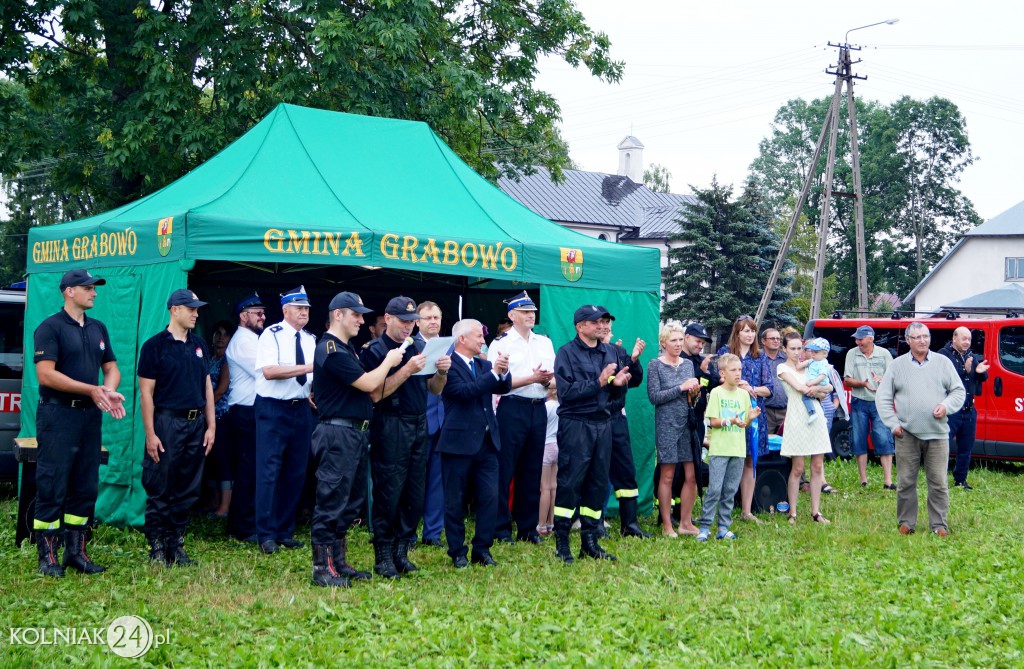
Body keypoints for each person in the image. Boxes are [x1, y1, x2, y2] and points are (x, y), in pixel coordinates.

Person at [32, 269, 127, 577]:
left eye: (94, 288)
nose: (94, 292)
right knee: (52, 482)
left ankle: (76, 552)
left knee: (85, 484)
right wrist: (92, 389)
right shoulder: (50, 327)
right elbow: (46, 374)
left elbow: (111, 368)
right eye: (88, 288)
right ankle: (48, 555)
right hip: (58, 415)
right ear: (68, 291)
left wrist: (108, 391)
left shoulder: (98, 328)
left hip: (89, 416)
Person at [308, 292, 404, 587]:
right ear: (338, 314)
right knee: (332, 499)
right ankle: (321, 568)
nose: (362, 321)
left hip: (353, 432)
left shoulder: (346, 349)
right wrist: (389, 360)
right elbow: (369, 384)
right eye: (356, 315)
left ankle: (337, 562)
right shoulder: (331, 348)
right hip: (338, 433)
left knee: (349, 502)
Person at [360, 296, 449, 578]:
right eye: (403, 321)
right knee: (389, 490)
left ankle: (401, 550)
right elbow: (375, 394)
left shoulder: (421, 346)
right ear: (388, 319)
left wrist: (442, 373)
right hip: (390, 423)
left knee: (414, 490)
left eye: (412, 321)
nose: (408, 327)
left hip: (418, 422)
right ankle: (383, 554)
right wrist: (406, 369)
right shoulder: (375, 350)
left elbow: (433, 389)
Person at [138, 289, 216, 566]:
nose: (196, 313)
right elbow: (146, 393)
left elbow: (206, 385)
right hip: (167, 421)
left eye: (197, 309)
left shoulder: (199, 345)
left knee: (188, 487)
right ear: (174, 310)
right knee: (161, 484)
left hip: (196, 423)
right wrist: (150, 433)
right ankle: (157, 546)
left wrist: (211, 425)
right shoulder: (154, 346)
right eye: (191, 308)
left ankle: (176, 544)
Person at [551, 305, 632, 563]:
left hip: (603, 423)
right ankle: (562, 543)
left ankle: (590, 541)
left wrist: (618, 385)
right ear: (580, 326)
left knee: (597, 485)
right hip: (576, 425)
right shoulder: (566, 353)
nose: (601, 326)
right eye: (595, 322)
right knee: (570, 483)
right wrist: (598, 382)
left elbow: (615, 395)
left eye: (604, 322)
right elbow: (566, 394)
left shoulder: (610, 351)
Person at [876, 323, 965, 536]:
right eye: (917, 337)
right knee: (906, 482)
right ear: (908, 340)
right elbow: (883, 396)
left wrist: (946, 406)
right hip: (907, 434)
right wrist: (893, 423)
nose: (923, 340)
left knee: (939, 482)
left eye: (926, 336)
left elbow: (958, 392)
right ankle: (906, 522)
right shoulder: (897, 366)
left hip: (937, 435)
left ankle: (939, 525)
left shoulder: (943, 363)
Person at [438, 319, 512, 568]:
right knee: (455, 501)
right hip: (457, 444)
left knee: (490, 496)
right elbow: (463, 392)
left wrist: (503, 370)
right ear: (462, 339)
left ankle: (482, 549)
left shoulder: (483, 364)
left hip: (487, 442)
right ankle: (457, 551)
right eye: (478, 337)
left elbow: (504, 385)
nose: (483, 341)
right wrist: (493, 373)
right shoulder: (448, 365)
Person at [486, 291, 555, 544]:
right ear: (511, 315)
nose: (530, 315)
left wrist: (549, 380)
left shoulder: (544, 342)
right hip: (512, 407)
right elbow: (496, 383)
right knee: (505, 469)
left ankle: (527, 528)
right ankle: (501, 529)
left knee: (532, 470)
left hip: (539, 405)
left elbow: (554, 377)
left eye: (533, 311)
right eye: (525, 311)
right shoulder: (500, 344)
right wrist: (532, 378)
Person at [253, 286, 316, 555]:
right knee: (269, 472)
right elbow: (269, 371)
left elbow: (312, 378)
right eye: (299, 308)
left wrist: (313, 389)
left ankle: (284, 529)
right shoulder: (271, 334)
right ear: (285, 310)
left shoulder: (311, 339)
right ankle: (265, 533)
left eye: (307, 308)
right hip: (273, 408)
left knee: (296, 471)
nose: (304, 312)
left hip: (300, 407)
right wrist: (309, 368)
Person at [697, 353, 761, 541]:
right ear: (722, 373)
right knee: (715, 489)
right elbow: (713, 421)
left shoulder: (743, 395)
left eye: (740, 369)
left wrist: (749, 418)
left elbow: (745, 425)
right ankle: (705, 526)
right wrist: (730, 421)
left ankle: (723, 527)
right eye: (733, 370)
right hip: (719, 449)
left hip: (738, 450)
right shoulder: (717, 393)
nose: (738, 373)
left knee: (730, 490)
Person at [717, 315, 772, 523]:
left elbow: (770, 389)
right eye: (745, 331)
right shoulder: (725, 353)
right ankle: (724, 509)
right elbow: (719, 379)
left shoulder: (761, 357)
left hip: (754, 416)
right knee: (729, 459)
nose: (750, 335)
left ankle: (746, 511)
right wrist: (740, 385)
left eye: (753, 331)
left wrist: (752, 388)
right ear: (737, 333)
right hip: (730, 413)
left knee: (750, 460)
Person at [598, 315, 650, 538]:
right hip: (594, 419)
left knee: (626, 472)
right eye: (601, 323)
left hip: (617, 419)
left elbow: (635, 380)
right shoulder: (581, 353)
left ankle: (630, 525)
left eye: (608, 323)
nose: (606, 326)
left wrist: (635, 359)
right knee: (597, 473)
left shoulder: (619, 352)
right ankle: (595, 525)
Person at [647, 321, 699, 537]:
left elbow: (690, 397)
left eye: (680, 340)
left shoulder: (687, 365)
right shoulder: (655, 365)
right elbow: (654, 397)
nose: (678, 344)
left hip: (687, 423)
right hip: (667, 425)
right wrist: (680, 388)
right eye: (673, 340)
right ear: (663, 343)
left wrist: (694, 392)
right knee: (667, 475)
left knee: (692, 475)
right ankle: (667, 525)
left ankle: (685, 522)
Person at [776, 332, 834, 525]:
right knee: (798, 468)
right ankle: (792, 512)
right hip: (796, 417)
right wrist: (816, 389)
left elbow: (827, 390)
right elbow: (799, 387)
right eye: (792, 348)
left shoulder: (811, 366)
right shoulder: (782, 367)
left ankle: (816, 512)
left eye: (799, 348)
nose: (796, 352)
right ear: (784, 349)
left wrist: (818, 389)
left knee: (817, 465)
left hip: (815, 416)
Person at [224, 293, 265, 542]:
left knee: (252, 470)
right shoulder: (243, 341)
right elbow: (265, 372)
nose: (262, 316)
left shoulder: (253, 339)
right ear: (243, 316)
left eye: (263, 312)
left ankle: (245, 524)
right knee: (248, 471)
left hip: (250, 412)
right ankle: (243, 527)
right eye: (257, 313)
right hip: (245, 412)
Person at [844, 325, 896, 489]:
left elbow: (894, 377)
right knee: (859, 439)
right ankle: (863, 480)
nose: (857, 341)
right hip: (859, 401)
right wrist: (862, 384)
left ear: (870, 338)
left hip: (880, 402)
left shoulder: (884, 354)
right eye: (857, 339)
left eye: (860, 338)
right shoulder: (852, 353)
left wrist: (883, 380)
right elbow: (847, 379)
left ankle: (888, 481)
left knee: (883, 438)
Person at [938, 327, 989, 489]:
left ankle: (961, 480)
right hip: (950, 411)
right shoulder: (943, 355)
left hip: (968, 410)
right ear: (954, 339)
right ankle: (939, 480)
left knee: (965, 448)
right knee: (942, 446)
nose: (967, 342)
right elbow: (944, 378)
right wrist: (965, 371)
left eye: (969, 339)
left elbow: (981, 377)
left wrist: (979, 372)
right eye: (963, 338)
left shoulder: (971, 356)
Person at [415, 300, 447, 547]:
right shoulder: (410, 346)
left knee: (438, 481)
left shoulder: (449, 346)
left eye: (436, 317)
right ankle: (408, 531)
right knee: (415, 480)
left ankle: (433, 532)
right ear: (417, 322)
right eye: (428, 318)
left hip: (443, 421)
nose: (434, 322)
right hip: (417, 421)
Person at [205, 320, 234, 518]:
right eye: (218, 333)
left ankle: (224, 507)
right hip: (206, 417)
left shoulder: (228, 360)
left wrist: (205, 407)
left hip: (221, 416)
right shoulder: (208, 357)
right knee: (211, 461)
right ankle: (213, 502)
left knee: (223, 461)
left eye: (225, 334)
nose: (221, 338)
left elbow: (221, 389)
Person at [538, 386, 559, 536]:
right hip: (556, 446)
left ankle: (541, 524)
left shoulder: (545, 407)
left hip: (545, 446)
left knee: (544, 488)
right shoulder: (560, 406)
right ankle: (551, 522)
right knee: (553, 487)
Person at [760, 327, 788, 435]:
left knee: (785, 446)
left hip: (785, 410)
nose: (776, 341)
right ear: (763, 341)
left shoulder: (786, 359)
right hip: (765, 410)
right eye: (772, 338)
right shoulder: (757, 358)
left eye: (778, 339)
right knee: (765, 445)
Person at [797, 338, 831, 424]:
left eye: (815, 352)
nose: (813, 354)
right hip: (814, 384)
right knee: (817, 399)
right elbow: (800, 366)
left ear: (825, 354)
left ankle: (813, 413)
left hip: (819, 383)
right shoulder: (812, 361)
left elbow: (822, 376)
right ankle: (820, 415)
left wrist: (812, 384)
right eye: (811, 351)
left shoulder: (823, 363)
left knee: (806, 397)